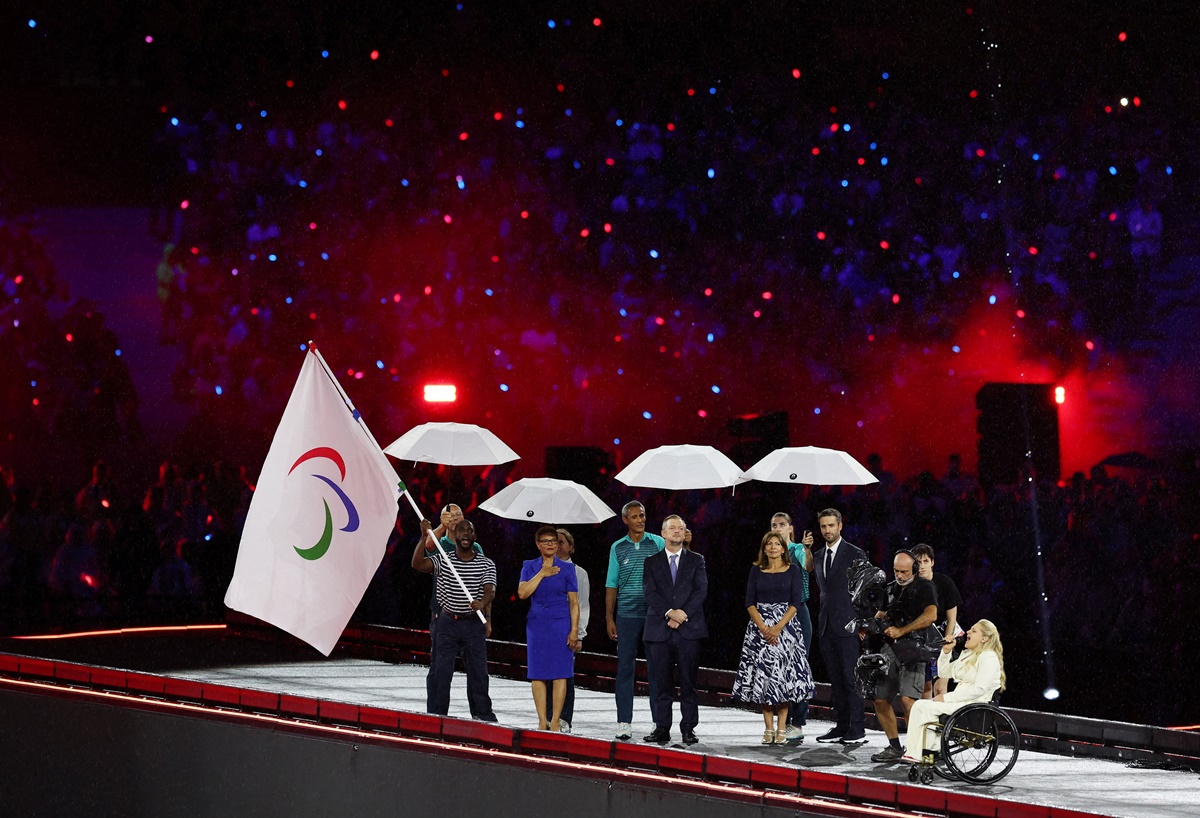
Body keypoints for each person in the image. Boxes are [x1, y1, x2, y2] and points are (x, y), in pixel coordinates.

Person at [731, 530, 815, 745]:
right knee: (765, 677)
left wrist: (777, 627)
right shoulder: (756, 571)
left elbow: (796, 602)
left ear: (783, 548)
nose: (773, 547)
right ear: (764, 548)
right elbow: (749, 602)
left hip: (786, 628)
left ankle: (782, 728)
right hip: (759, 628)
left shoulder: (793, 571)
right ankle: (768, 728)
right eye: (769, 544)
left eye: (777, 543)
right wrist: (764, 628)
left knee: (783, 679)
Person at [412, 517, 497, 721]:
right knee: (441, 672)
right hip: (447, 623)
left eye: (470, 530)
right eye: (461, 530)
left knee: (478, 673)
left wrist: (482, 604)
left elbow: (490, 591)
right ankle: (437, 715)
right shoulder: (444, 558)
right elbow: (417, 564)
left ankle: (482, 715)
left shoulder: (486, 563)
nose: (465, 534)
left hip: (473, 624)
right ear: (454, 536)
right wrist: (424, 538)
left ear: (474, 537)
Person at [641, 515, 708, 745]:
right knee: (661, 682)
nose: (677, 531)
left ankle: (688, 728)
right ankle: (662, 727)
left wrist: (682, 615)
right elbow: (650, 593)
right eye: (672, 528)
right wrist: (670, 612)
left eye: (681, 528)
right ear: (663, 533)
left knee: (689, 682)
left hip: (689, 629)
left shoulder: (697, 560)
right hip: (659, 629)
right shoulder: (651, 561)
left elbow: (700, 592)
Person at [902, 620, 1006, 763]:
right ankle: (913, 752)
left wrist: (947, 698)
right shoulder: (968, 655)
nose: (968, 632)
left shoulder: (988, 657)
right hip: (961, 701)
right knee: (919, 705)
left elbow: (979, 689)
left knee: (929, 708)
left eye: (974, 631)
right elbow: (943, 672)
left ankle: (929, 756)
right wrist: (946, 652)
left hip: (975, 705)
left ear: (984, 638)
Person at [870, 550, 939, 762]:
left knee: (909, 701)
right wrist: (872, 625)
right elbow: (880, 615)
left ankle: (917, 748)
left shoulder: (925, 587)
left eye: (904, 571)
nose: (899, 575)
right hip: (889, 649)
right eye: (896, 571)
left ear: (915, 570)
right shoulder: (889, 589)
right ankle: (894, 747)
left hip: (915, 649)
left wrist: (902, 630)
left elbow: (931, 615)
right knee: (880, 699)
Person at [605, 500, 665, 740]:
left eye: (642, 515)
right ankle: (624, 722)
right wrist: (609, 618)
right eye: (634, 516)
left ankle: (658, 721)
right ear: (625, 520)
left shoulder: (658, 542)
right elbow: (611, 584)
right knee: (625, 669)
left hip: (654, 616)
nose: (640, 519)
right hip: (627, 616)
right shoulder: (617, 547)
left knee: (656, 670)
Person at [812, 508, 868, 743]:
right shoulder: (816, 556)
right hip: (826, 626)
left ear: (840, 526)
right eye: (823, 526)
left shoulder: (855, 554)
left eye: (831, 526)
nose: (827, 530)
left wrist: (863, 624)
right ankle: (842, 725)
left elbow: (867, 591)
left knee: (851, 678)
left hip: (849, 626)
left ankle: (857, 727)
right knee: (836, 679)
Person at [518, 526, 580, 731]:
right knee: (538, 673)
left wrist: (574, 630)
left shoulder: (568, 569)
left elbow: (574, 602)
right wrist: (542, 574)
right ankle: (542, 720)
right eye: (545, 541)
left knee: (560, 673)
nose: (551, 544)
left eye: (553, 540)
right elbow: (523, 593)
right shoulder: (529, 566)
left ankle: (555, 721)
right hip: (537, 623)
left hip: (561, 623)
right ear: (538, 544)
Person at [771, 512, 814, 743]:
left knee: (798, 669)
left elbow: (808, 567)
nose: (777, 528)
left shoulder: (797, 549)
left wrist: (807, 549)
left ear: (790, 528)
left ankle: (797, 723)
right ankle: (781, 723)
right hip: (775, 615)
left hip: (798, 614)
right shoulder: (770, 552)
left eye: (782, 524)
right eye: (774, 525)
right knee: (779, 668)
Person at [912, 543, 963, 698]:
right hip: (920, 641)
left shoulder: (945, 583)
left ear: (932, 562)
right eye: (918, 562)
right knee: (925, 686)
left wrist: (945, 645)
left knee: (940, 689)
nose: (922, 566)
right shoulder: (911, 586)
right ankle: (926, 720)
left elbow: (951, 618)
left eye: (925, 561)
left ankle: (940, 721)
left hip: (943, 639)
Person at [556, 528, 590, 733]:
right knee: (545, 676)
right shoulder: (542, 569)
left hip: (569, 630)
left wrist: (578, 633)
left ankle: (564, 718)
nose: (557, 546)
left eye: (561, 542)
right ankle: (548, 717)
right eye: (553, 542)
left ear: (571, 547)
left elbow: (583, 605)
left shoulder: (579, 573)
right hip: (547, 629)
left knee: (565, 677)